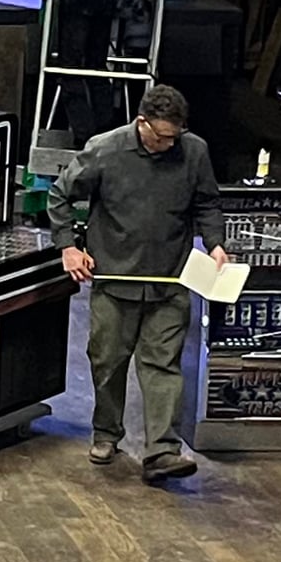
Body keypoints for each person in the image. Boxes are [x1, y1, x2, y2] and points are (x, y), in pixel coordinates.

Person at [54, 82, 226, 484]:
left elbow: (207, 203)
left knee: (162, 365)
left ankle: (162, 451)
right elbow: (60, 195)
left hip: (169, 279)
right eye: (162, 136)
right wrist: (69, 247)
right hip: (115, 279)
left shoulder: (194, 152)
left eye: (175, 136)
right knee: (108, 361)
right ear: (141, 123)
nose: (169, 144)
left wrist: (216, 244)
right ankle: (107, 432)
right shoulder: (105, 150)